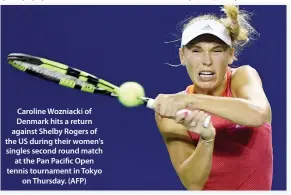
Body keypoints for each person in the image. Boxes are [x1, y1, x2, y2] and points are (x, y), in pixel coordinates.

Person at [153, 5, 273, 190]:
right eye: (196, 50)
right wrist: (206, 140)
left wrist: (190, 100)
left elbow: (258, 115)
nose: (207, 61)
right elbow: (193, 184)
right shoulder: (172, 113)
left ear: (231, 55)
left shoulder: (242, 77)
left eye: (217, 50)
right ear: (182, 56)